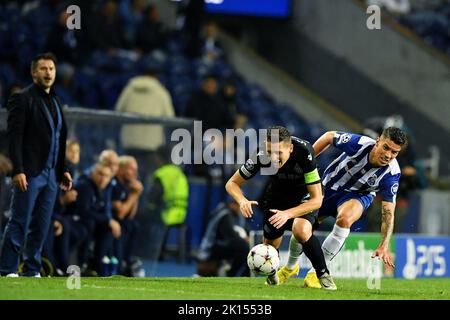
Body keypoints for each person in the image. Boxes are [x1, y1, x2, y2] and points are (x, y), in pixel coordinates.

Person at [280, 127, 407, 288]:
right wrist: (307, 162)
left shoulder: (392, 174)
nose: (388, 155)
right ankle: (290, 267)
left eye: (394, 152)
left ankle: (316, 273)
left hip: (356, 196)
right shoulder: (359, 144)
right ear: (378, 141)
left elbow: (388, 212)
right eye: (386, 147)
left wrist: (384, 244)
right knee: (299, 229)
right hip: (326, 188)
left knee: (345, 218)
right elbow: (328, 136)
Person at [225, 126, 337, 290]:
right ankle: (273, 274)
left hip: (305, 195)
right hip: (278, 196)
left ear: (290, 148)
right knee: (269, 246)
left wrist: (287, 214)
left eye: (278, 152)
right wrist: (242, 201)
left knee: (301, 230)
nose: (273, 157)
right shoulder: (261, 154)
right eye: (270, 151)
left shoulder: (304, 153)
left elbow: (316, 200)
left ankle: (323, 274)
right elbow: (232, 183)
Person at [0, 52, 73, 277]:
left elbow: (59, 140)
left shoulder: (56, 101)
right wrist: (18, 169)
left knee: (41, 225)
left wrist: (64, 170)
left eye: (51, 69)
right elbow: (15, 137)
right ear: (33, 73)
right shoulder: (21, 98)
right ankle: (7, 269)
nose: (48, 73)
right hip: (30, 172)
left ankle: (32, 269)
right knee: (19, 220)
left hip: (51, 175)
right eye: (43, 69)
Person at [115, 61, 175, 183]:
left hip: (129, 141)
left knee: (127, 175)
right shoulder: (161, 92)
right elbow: (170, 117)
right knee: (147, 178)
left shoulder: (130, 88)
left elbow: (118, 109)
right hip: (151, 144)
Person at [197, 201, 250, 277]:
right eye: (239, 205)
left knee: (245, 248)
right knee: (244, 248)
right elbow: (231, 237)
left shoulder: (236, 215)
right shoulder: (225, 214)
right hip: (211, 248)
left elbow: (246, 230)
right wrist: (245, 240)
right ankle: (230, 275)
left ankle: (237, 275)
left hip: (221, 245)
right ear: (232, 204)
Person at [111, 156, 144, 276]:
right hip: (109, 221)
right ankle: (119, 265)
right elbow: (120, 214)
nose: (135, 173)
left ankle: (127, 261)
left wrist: (136, 195)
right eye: (131, 169)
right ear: (120, 169)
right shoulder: (114, 184)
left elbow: (130, 214)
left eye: (136, 169)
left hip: (121, 222)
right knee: (124, 226)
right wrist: (135, 195)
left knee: (133, 225)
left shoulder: (125, 185)